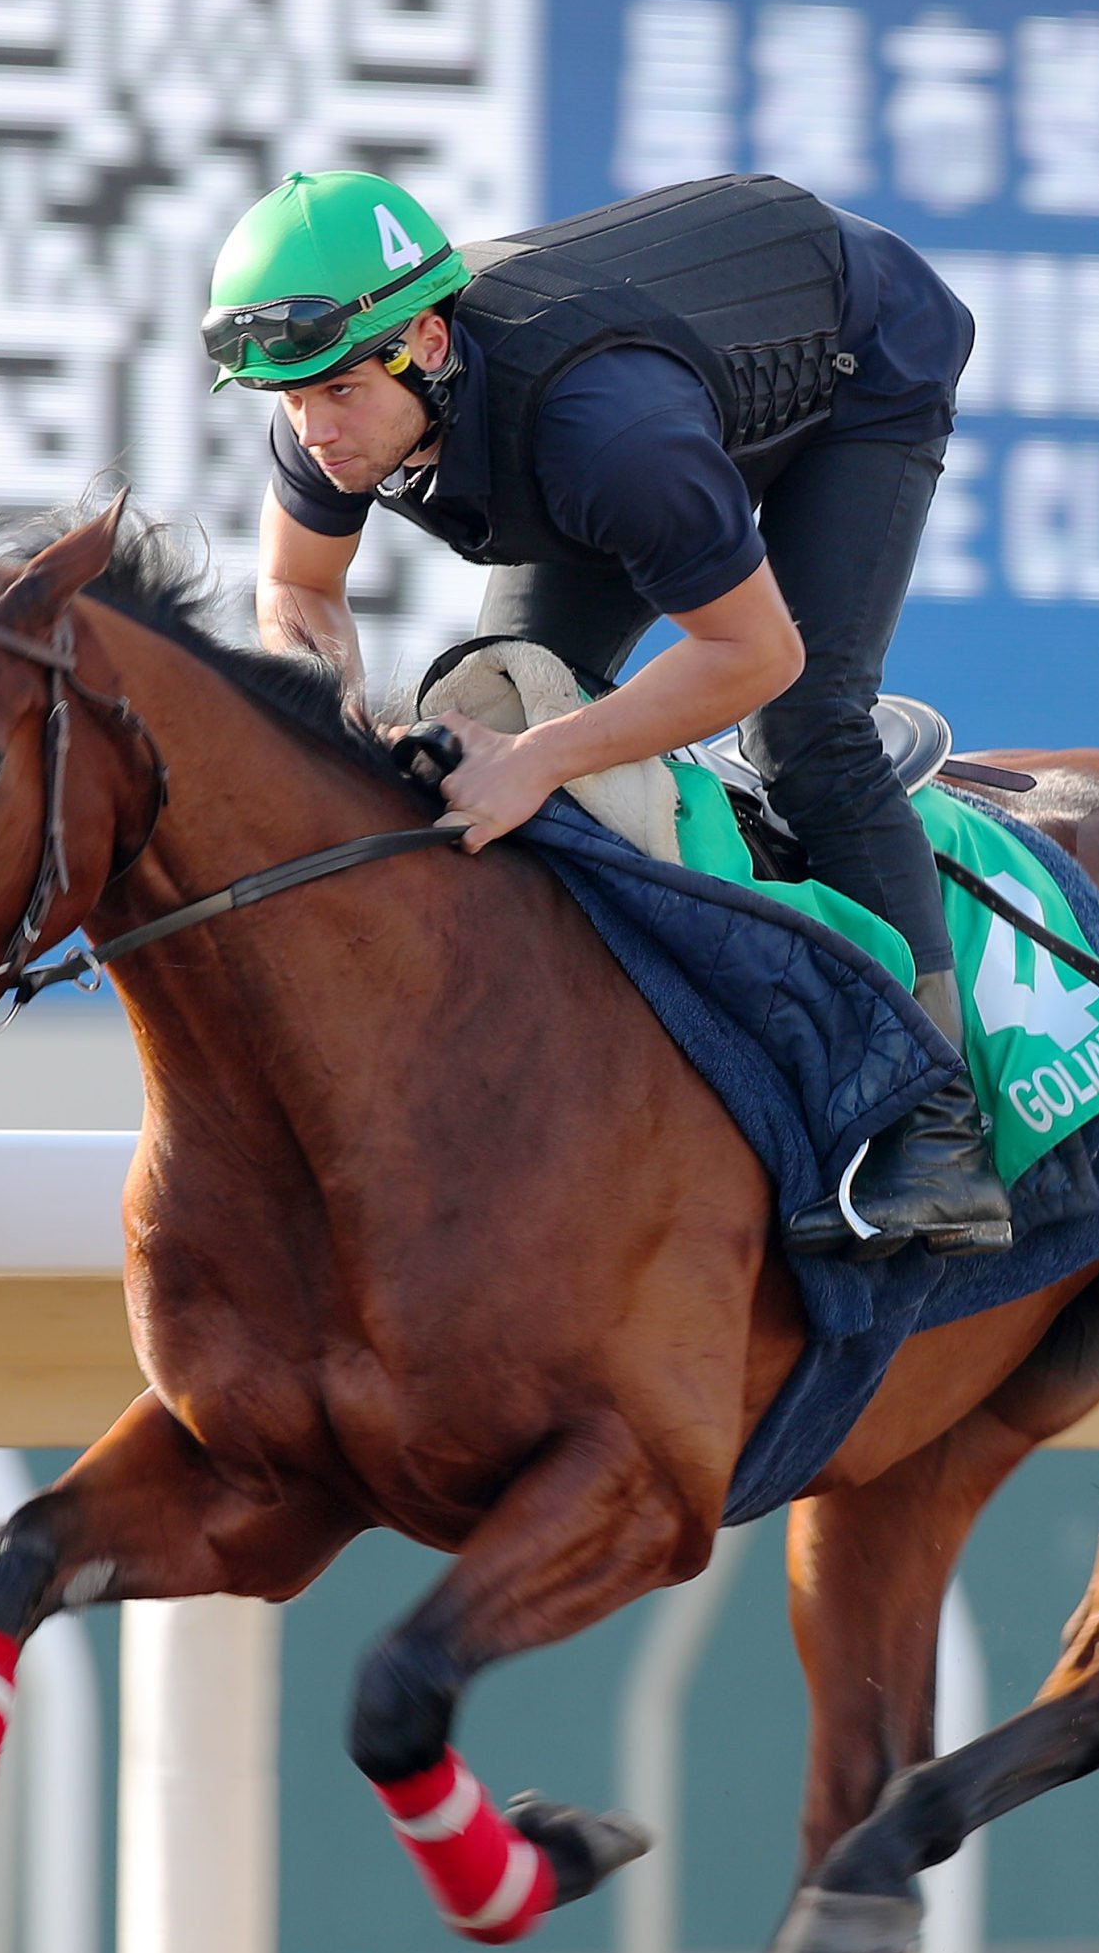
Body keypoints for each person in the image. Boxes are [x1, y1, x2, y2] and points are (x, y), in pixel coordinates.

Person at [199, 166, 1015, 1262]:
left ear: (428, 344)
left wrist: (540, 759)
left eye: (338, 392)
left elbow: (757, 653)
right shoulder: (333, 406)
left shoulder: (605, 437)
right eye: (289, 400)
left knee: (804, 724)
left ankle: (941, 1128)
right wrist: (340, 737)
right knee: (501, 690)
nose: (315, 431)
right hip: (656, 389)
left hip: (857, 351)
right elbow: (299, 588)